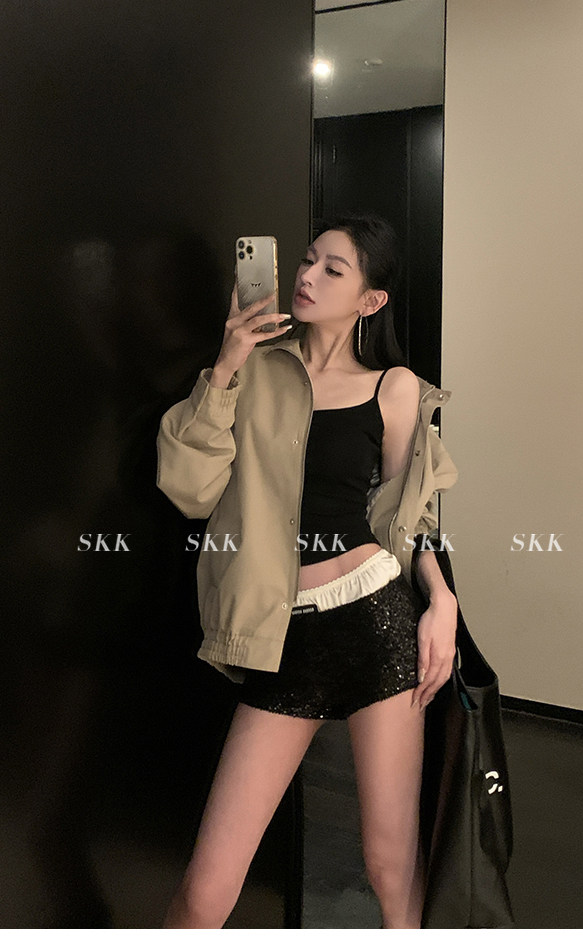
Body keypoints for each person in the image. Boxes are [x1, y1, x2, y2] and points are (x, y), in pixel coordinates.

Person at [157, 213, 459, 929]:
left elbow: (409, 516)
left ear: (371, 300)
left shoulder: (394, 387)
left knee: (389, 867)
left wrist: (441, 599)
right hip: (279, 634)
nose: (307, 276)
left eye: (333, 269)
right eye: (306, 259)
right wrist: (225, 365)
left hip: (376, 624)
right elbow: (190, 489)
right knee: (207, 886)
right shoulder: (253, 369)